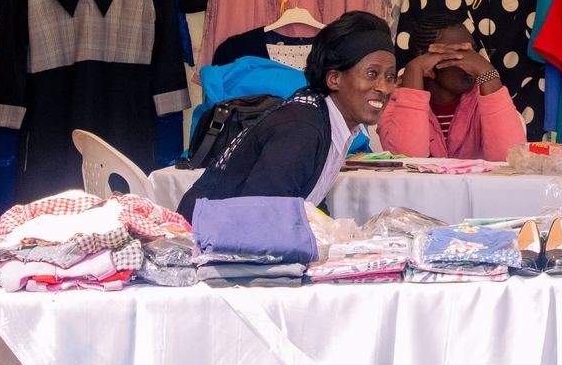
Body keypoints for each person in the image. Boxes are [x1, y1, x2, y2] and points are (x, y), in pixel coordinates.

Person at [176, 11, 397, 219]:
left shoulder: (324, 119)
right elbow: (262, 215)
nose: (384, 88)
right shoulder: (302, 129)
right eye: (371, 74)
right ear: (334, 79)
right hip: (205, 244)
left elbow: (307, 202)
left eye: (390, 77)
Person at [377, 17, 529, 160]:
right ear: (425, 58)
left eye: (472, 53)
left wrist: (488, 73)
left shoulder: (483, 100)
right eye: (459, 52)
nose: (470, 62)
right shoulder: (394, 102)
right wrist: (414, 69)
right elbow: (407, 161)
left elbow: (510, 158)